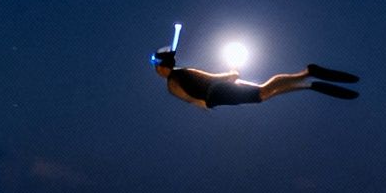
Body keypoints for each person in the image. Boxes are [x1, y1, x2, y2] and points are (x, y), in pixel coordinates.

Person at [152, 49, 360, 110]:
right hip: (219, 91)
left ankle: (308, 80)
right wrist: (229, 76)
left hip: (217, 94)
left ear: (163, 67)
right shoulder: (183, 70)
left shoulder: (172, 83)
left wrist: (228, 77)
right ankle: (306, 78)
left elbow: (193, 96)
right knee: (264, 91)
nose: (156, 71)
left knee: (262, 94)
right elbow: (208, 78)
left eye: (157, 67)